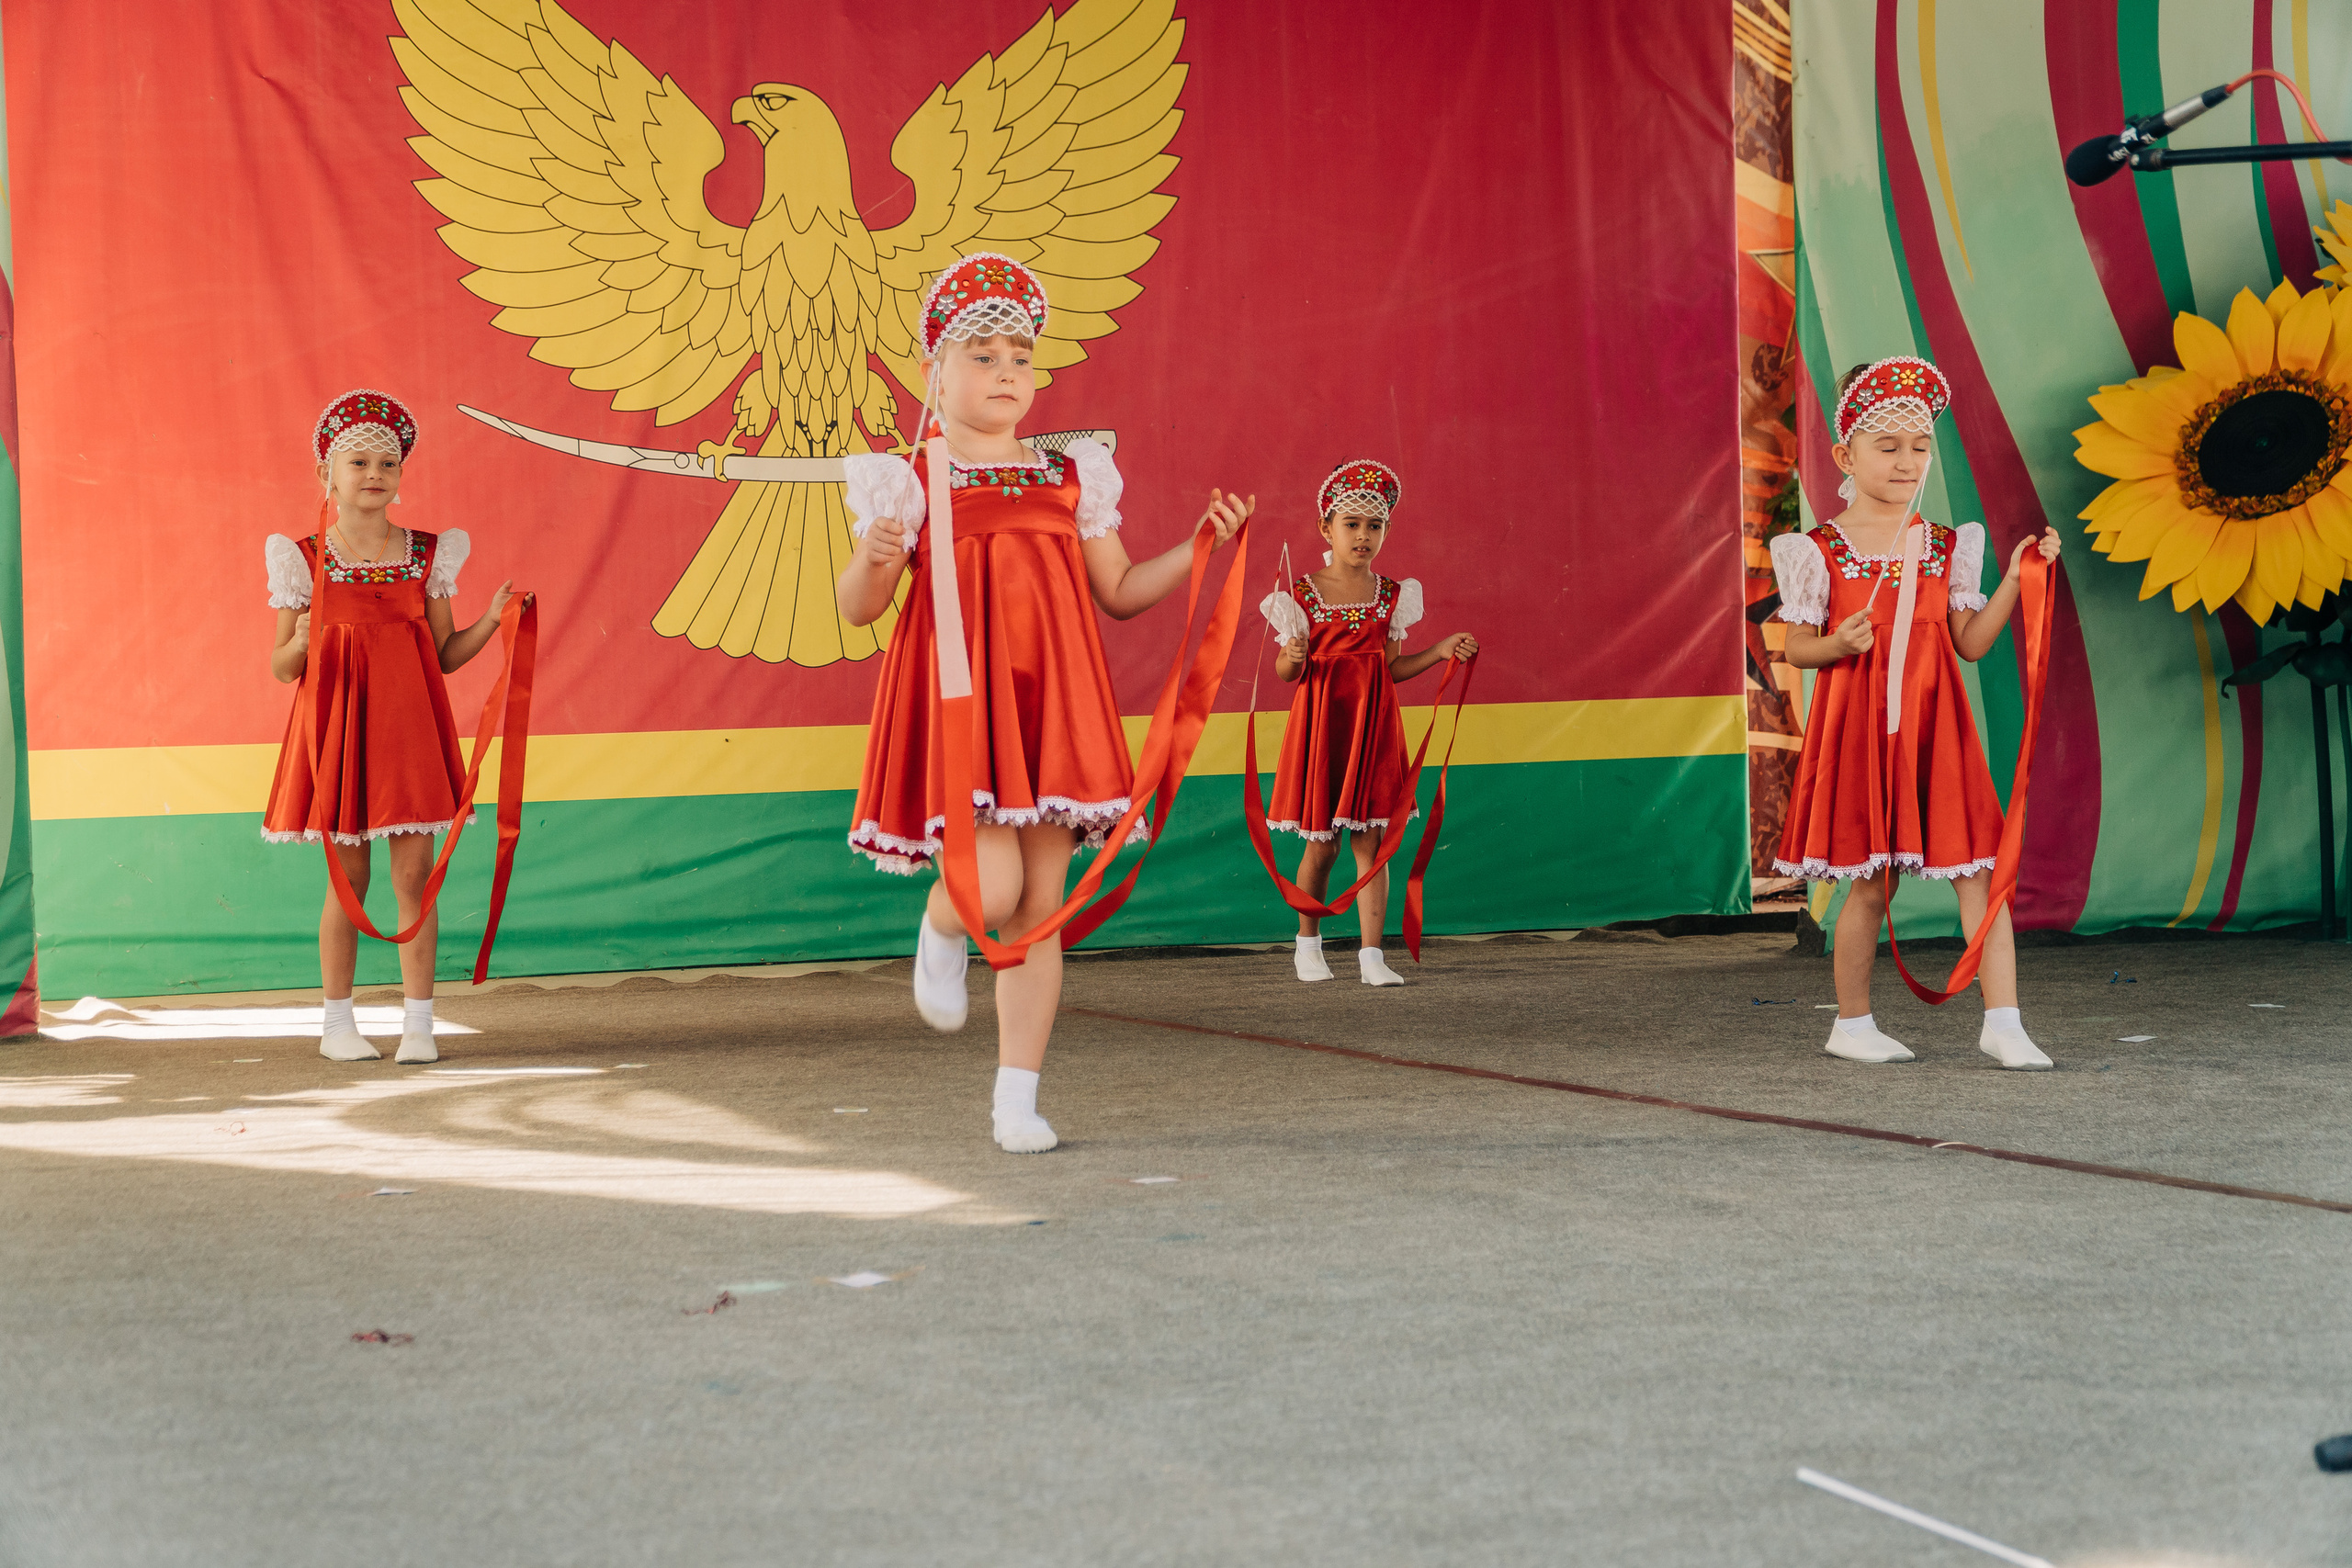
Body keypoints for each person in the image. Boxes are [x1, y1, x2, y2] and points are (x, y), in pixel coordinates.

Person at [835, 254, 1254, 1152]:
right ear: (934, 372)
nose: (1006, 373)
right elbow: (861, 608)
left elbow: (1120, 591)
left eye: (1020, 358)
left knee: (1041, 908)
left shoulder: (1071, 474)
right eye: (982, 356)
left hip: (1052, 706)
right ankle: (940, 928)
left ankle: (1016, 1099)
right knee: (989, 888)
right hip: (966, 707)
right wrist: (873, 557)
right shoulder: (909, 479)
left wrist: (1198, 550)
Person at [1770, 357, 2060, 1068]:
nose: (1907, 462)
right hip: (1862, 734)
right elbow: (1798, 648)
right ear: (1846, 455)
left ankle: (2004, 1022)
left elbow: (1970, 643)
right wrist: (1837, 643)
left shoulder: (1944, 546)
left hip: (1937, 733)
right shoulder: (1819, 551)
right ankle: (1852, 1024)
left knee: (1979, 876)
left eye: (1920, 446)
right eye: (1888, 446)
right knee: (1872, 884)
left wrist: (2016, 580)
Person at [264, 389, 514, 1065]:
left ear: (402, 473)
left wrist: (492, 620)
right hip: (341, 734)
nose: (374, 474)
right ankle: (336, 1025)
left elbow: (444, 654)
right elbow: (282, 666)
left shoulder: (428, 553)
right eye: (359, 462)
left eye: (387, 463)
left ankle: (419, 1025)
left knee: (415, 878)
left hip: (408, 734)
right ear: (327, 473)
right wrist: (303, 644)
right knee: (348, 881)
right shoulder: (304, 558)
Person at [1263, 460, 1476, 985]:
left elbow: (1392, 668)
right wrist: (1292, 655)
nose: (1363, 535)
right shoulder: (1302, 594)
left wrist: (1439, 651)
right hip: (1323, 729)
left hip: (1374, 728)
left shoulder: (1392, 595)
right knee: (1323, 845)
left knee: (1372, 845)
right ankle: (1307, 946)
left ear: (1386, 531)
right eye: (1351, 524)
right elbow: (1286, 673)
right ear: (1326, 528)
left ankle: (1372, 957)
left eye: (1374, 525)